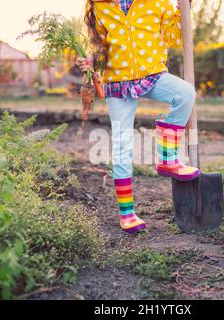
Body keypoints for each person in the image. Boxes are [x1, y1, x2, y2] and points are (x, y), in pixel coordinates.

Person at [78, 0, 199, 234]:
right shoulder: (101, 7)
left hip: (151, 74)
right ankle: (127, 214)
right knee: (123, 145)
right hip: (118, 83)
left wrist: (182, 9)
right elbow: (98, 48)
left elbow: (175, 39)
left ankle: (168, 159)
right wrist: (89, 61)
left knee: (184, 93)